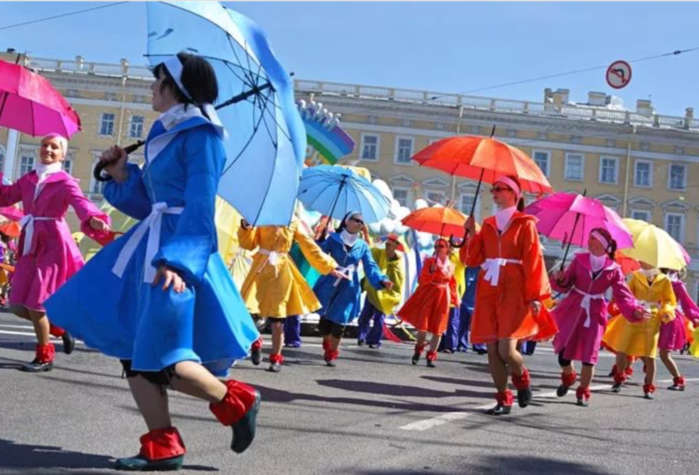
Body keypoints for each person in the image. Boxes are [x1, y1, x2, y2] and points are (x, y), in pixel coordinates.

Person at [45, 53, 261, 471]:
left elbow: (198, 205)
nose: (151, 87)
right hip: (149, 247)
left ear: (175, 86)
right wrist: (123, 174)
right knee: (136, 354)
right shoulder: (169, 132)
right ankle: (163, 446)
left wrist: (178, 262)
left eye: (157, 80)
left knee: (166, 354)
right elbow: (152, 204)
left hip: (177, 253)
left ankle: (237, 401)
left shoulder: (204, 137)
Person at [0, 133, 111, 372]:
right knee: (17, 305)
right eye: (44, 145)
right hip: (30, 241)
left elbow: (81, 203)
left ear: (62, 154)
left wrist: (94, 219)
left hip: (53, 243)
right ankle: (60, 329)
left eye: (54, 147)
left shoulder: (65, 180)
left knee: (36, 305)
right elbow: (6, 196)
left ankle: (44, 356)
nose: (48, 150)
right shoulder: (29, 178)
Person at [464, 175, 556, 415]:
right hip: (489, 289)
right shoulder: (488, 223)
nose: (493, 192)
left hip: (515, 291)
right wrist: (470, 235)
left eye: (499, 189)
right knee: (492, 350)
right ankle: (503, 398)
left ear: (513, 194)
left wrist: (536, 296)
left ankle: (522, 377)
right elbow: (473, 259)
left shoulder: (525, 224)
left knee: (507, 350)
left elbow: (533, 261)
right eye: (493, 189)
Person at [550, 228, 647, 406]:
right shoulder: (579, 260)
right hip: (573, 307)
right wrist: (560, 279)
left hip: (595, 312)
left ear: (603, 245)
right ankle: (568, 375)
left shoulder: (614, 269)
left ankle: (583, 392)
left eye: (593, 239)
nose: (589, 241)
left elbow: (623, 295)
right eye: (589, 238)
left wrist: (635, 310)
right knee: (563, 355)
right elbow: (565, 285)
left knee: (589, 355)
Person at [238, 217, 342, 372]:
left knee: (278, 320)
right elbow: (248, 244)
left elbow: (309, 246)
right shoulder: (263, 217)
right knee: (251, 313)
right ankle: (256, 342)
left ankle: (275, 358)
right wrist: (246, 227)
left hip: (282, 273)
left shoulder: (293, 222)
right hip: (261, 270)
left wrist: (329, 267)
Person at [313, 212, 393, 366]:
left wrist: (382, 280)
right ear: (346, 221)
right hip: (330, 280)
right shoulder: (333, 239)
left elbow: (371, 266)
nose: (360, 224)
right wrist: (320, 241)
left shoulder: (362, 245)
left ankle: (332, 351)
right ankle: (326, 339)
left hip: (349, 286)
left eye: (362, 223)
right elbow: (319, 256)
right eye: (357, 221)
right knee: (325, 323)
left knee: (340, 321)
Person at [602, 261, 676, 399]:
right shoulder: (636, 276)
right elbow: (627, 294)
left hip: (652, 318)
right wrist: (622, 302)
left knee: (650, 353)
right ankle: (619, 379)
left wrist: (666, 310)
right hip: (634, 314)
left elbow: (669, 300)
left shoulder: (664, 279)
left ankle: (648, 387)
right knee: (622, 349)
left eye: (646, 259)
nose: (642, 261)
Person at [398, 238, 459, 367]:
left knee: (438, 329)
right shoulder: (430, 261)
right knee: (423, 327)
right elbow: (423, 280)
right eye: (436, 246)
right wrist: (431, 271)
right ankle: (418, 350)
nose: (437, 248)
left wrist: (455, 298)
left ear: (447, 249)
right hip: (430, 295)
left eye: (441, 246)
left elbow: (452, 283)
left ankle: (431, 356)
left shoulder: (451, 265)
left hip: (443, 297)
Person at [357, 234, 405, 349]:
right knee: (365, 315)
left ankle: (374, 340)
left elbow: (399, 280)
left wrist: (395, 296)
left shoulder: (397, 262)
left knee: (379, 319)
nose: (387, 246)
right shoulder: (380, 253)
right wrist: (367, 236)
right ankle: (361, 337)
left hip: (386, 295)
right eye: (386, 244)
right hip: (374, 290)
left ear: (396, 246)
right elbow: (370, 251)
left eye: (389, 244)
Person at [658, 268, 697, 391]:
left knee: (664, 353)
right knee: (643, 347)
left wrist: (694, 317)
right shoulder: (656, 281)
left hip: (670, 320)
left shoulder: (677, 285)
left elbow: (687, 303)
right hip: (655, 318)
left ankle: (679, 380)